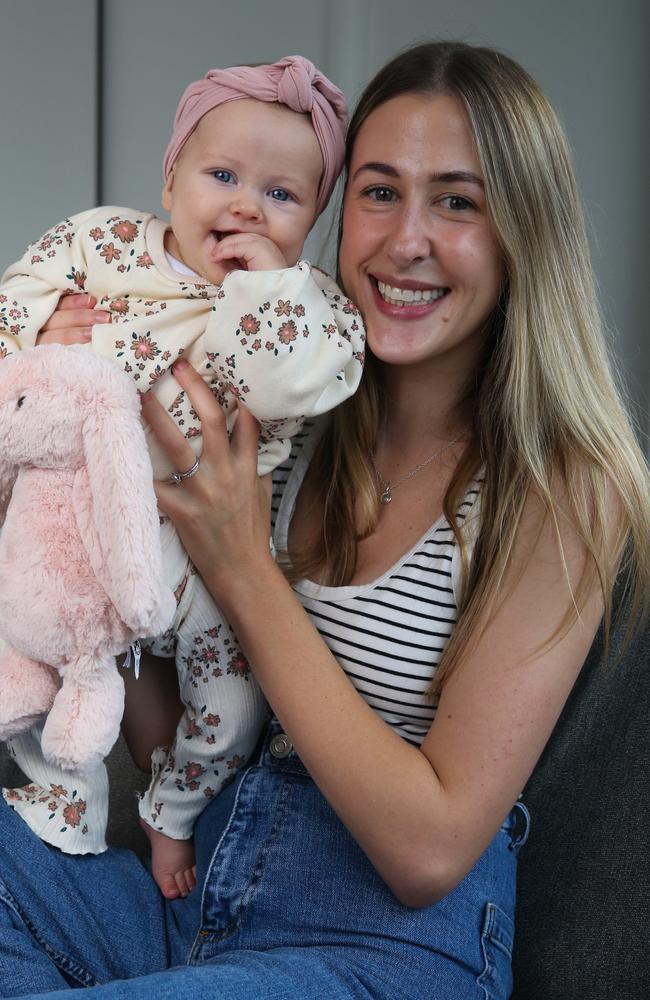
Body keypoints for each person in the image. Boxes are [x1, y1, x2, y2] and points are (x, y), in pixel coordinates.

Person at [0, 38, 648, 1000]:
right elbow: (166, 647)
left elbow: (430, 850)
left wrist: (245, 573)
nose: (405, 240)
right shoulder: (293, 413)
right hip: (188, 898)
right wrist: (59, 373)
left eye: (457, 201)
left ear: (525, 234)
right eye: (380, 192)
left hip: (378, 944)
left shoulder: (563, 488)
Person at [0, 56, 365, 899]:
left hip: (206, 554)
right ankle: (58, 795)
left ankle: (174, 809)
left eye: (282, 195)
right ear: (171, 180)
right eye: (222, 175)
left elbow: (282, 381)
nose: (245, 205)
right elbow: (20, 286)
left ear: (314, 221)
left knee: (232, 711)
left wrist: (263, 285)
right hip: (86, 526)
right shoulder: (105, 242)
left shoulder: (306, 306)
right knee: (39, 641)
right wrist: (36, 335)